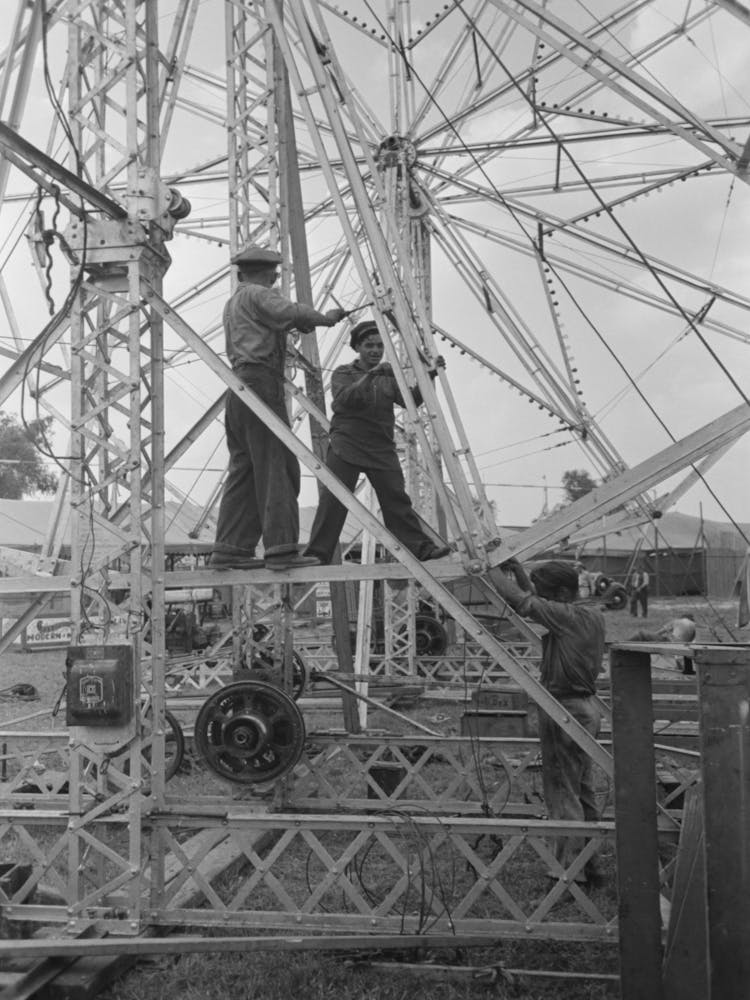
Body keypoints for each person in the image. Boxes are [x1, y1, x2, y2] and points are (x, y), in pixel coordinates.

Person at [209, 246, 347, 571]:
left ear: (240, 273)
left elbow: (275, 321)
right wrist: (325, 319)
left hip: (238, 388)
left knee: (244, 470)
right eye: (274, 274)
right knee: (278, 465)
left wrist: (293, 325)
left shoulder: (234, 302)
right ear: (271, 274)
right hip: (261, 384)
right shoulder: (258, 294)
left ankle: (230, 548)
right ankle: (281, 549)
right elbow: (291, 312)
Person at [494, 558, 606, 885]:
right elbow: (534, 599)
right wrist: (518, 572)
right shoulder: (589, 614)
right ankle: (591, 865)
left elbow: (523, 602)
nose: (540, 599)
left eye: (546, 593)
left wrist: (486, 571)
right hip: (584, 709)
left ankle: (569, 874)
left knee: (562, 791)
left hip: (565, 710)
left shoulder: (566, 617)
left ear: (562, 594)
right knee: (582, 790)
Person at [304, 320, 452, 565]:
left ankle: (420, 548)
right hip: (347, 445)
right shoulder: (343, 373)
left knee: (396, 499)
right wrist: (371, 376)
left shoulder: (388, 376)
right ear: (357, 348)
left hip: (380, 447)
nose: (375, 350)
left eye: (379, 345)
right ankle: (317, 554)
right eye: (369, 345)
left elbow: (410, 401)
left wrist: (430, 375)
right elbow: (344, 400)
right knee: (334, 499)